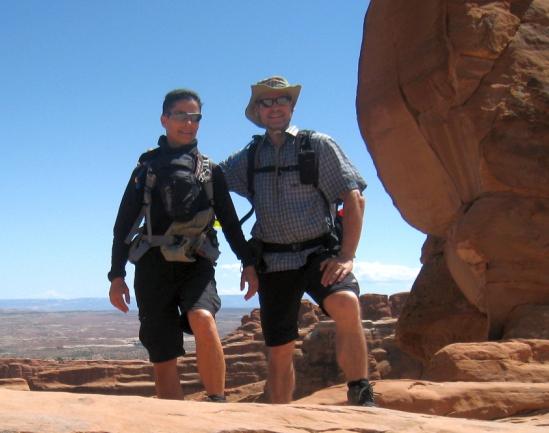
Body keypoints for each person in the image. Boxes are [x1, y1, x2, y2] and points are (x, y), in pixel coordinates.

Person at [221, 76, 377, 407]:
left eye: (282, 100)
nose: (275, 107)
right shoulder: (248, 157)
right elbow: (210, 180)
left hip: (318, 253)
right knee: (279, 350)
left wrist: (347, 255)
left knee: (346, 304)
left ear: (292, 106)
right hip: (274, 261)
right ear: (258, 111)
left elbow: (354, 198)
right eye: (267, 102)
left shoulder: (317, 146)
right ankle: (281, 418)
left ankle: (361, 396)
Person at [108, 89, 257, 402]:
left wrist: (248, 263)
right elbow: (124, 226)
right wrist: (116, 275)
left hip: (196, 262)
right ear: (164, 120)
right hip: (152, 266)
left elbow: (229, 223)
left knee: (202, 318)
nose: (189, 123)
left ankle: (217, 404)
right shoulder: (145, 171)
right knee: (163, 355)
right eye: (181, 116)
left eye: (195, 117)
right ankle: (174, 422)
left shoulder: (210, 171)